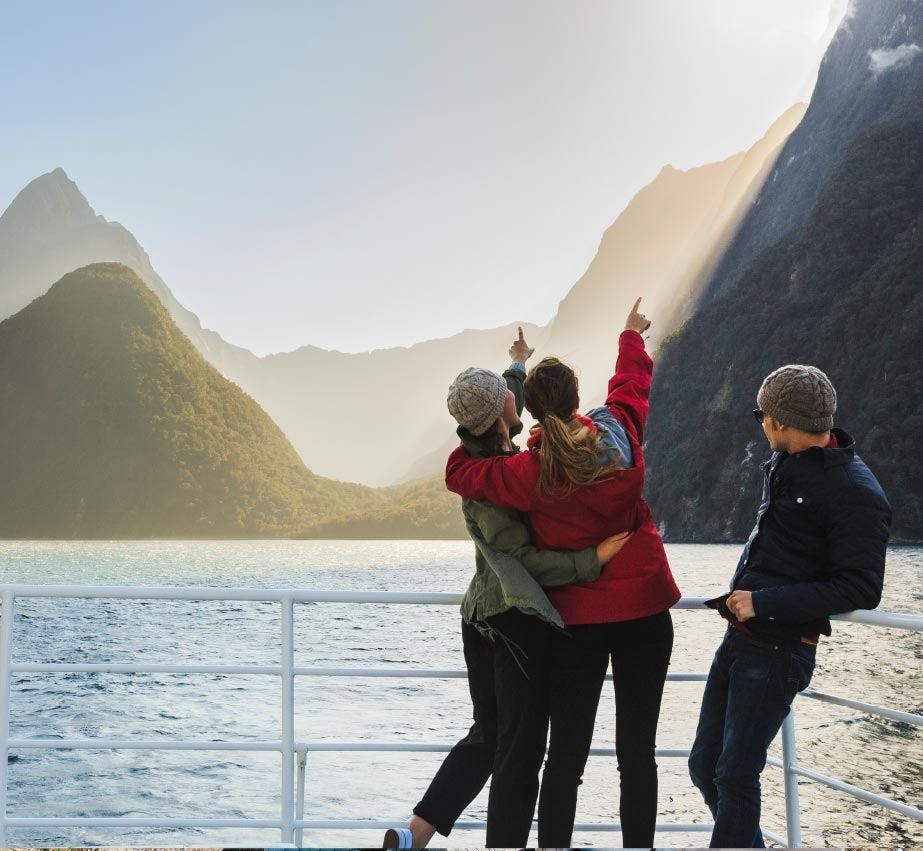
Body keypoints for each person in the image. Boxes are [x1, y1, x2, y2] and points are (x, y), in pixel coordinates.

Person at [444, 299, 681, 848]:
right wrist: (629, 335)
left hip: (580, 617)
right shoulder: (618, 432)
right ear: (579, 399)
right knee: (637, 754)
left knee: (567, 757)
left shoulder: (528, 471)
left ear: (529, 409)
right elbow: (629, 389)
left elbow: (463, 472)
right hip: (645, 608)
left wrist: (489, 416)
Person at [383, 328, 629, 849]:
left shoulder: (486, 446)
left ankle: (414, 835)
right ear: (501, 416)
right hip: (510, 620)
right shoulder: (492, 477)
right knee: (519, 749)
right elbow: (522, 561)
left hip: (480, 615)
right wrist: (590, 560)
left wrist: (517, 363)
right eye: (508, 397)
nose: (515, 398)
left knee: (490, 736)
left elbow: (504, 399)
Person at [688, 364, 891, 848]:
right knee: (705, 767)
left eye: (762, 414)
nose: (760, 423)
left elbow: (861, 587)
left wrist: (764, 602)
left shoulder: (857, 493)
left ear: (779, 420)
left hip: (779, 650)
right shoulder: (785, 462)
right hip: (740, 638)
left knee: (735, 775)